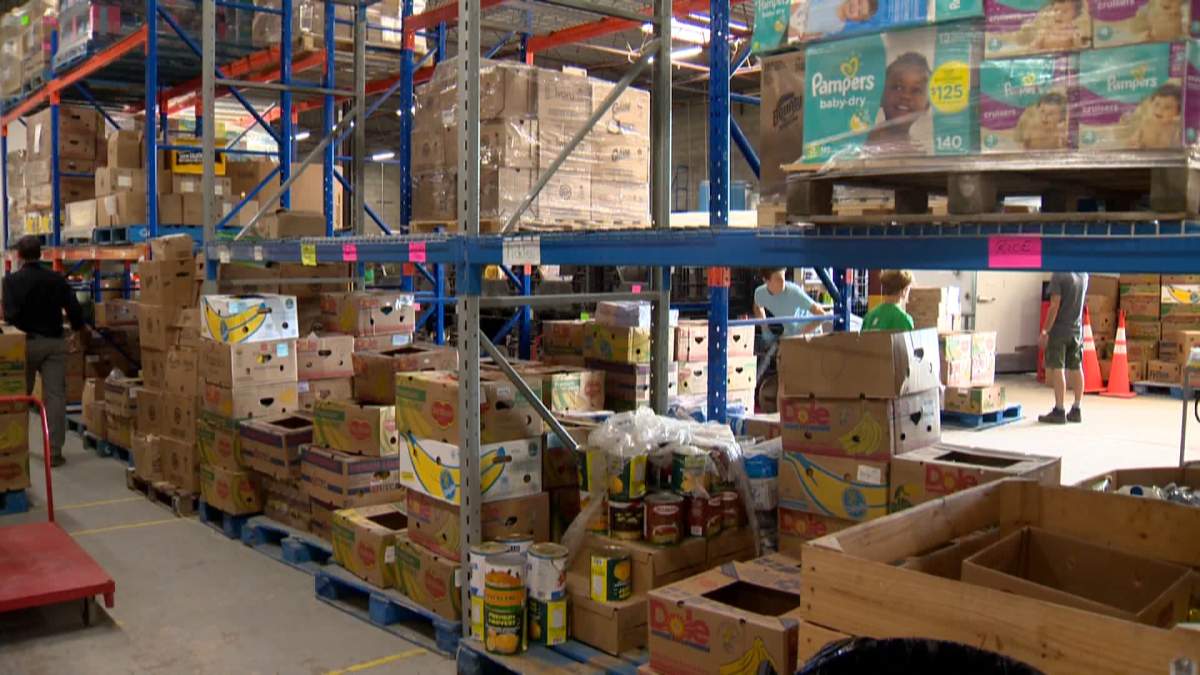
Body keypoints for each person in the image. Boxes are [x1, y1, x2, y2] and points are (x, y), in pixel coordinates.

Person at [2, 235, 86, 466]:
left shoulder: (11, 282)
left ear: (18, 255)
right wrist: (78, 330)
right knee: (55, 397)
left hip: (24, 345)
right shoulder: (56, 279)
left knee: (20, 397)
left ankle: (18, 447)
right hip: (53, 343)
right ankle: (55, 451)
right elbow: (74, 308)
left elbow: (9, 316)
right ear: (41, 254)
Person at [1038, 271, 1089, 424]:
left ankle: (1059, 410)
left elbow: (1054, 306)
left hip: (1059, 330)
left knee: (1057, 367)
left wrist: (1045, 331)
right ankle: (1077, 408)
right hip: (1077, 329)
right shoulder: (1084, 275)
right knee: (1076, 367)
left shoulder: (1059, 275)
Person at [865, 52, 931, 153]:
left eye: (916, 90)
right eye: (897, 87)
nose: (906, 96)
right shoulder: (864, 142)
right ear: (881, 95)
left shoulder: (917, 152)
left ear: (927, 106)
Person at [753, 268, 827, 347]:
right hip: (790, 332)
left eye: (783, 277)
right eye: (778, 279)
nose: (782, 283)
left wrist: (801, 334)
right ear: (766, 280)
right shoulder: (760, 293)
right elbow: (757, 307)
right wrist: (765, 329)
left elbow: (821, 314)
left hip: (810, 333)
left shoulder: (794, 292)